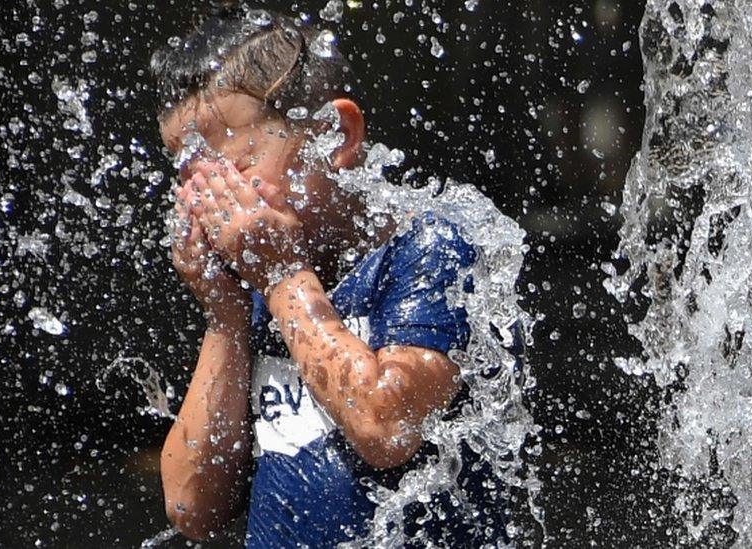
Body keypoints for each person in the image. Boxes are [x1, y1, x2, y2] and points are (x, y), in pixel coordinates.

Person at [151, 4, 512, 546]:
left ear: (333, 136)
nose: (217, 206)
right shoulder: (257, 280)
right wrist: (224, 316)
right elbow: (190, 508)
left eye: (238, 170)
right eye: (196, 181)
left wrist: (282, 277)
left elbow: (388, 426)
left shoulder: (427, 251)